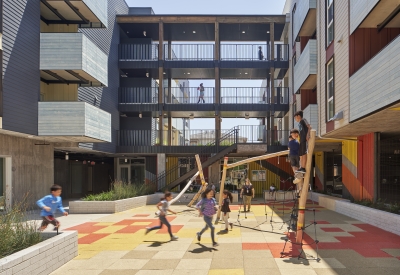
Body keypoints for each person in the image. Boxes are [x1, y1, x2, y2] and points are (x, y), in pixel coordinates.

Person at [294, 111, 311, 175]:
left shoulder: (303, 120)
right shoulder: (300, 123)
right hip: (301, 140)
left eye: (295, 118)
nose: (295, 120)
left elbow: (309, 127)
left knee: (304, 153)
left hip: (304, 139)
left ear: (298, 116)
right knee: (301, 154)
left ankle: (303, 167)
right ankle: (302, 167)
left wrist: (308, 134)